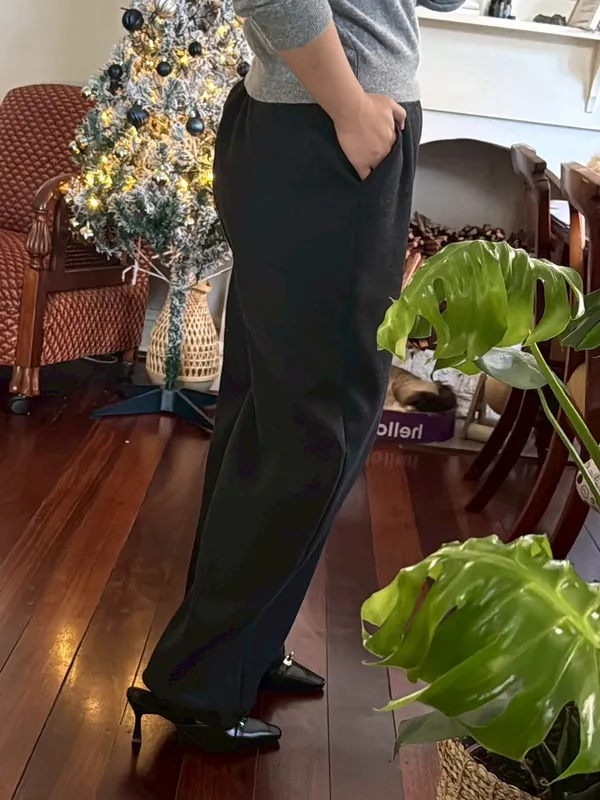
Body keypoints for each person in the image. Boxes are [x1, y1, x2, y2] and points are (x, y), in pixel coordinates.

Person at [127, 0, 463, 752]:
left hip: (318, 128)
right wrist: (348, 108)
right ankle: (200, 680)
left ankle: (238, 648)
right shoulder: (341, 117)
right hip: (327, 130)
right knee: (320, 425)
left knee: (270, 417)